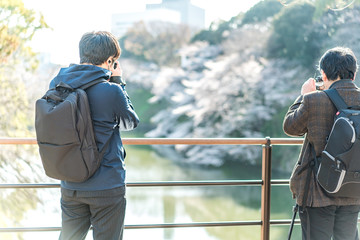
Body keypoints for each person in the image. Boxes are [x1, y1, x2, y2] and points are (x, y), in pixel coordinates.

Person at [49, 31, 139, 240]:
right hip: (106, 185)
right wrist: (118, 81)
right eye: (113, 61)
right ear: (109, 60)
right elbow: (130, 122)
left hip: (70, 182)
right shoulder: (110, 90)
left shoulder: (58, 85)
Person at [283, 47, 360, 239]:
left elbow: (290, 127)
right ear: (354, 73)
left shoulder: (313, 99)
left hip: (317, 191)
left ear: (324, 74)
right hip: (353, 187)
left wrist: (303, 96)